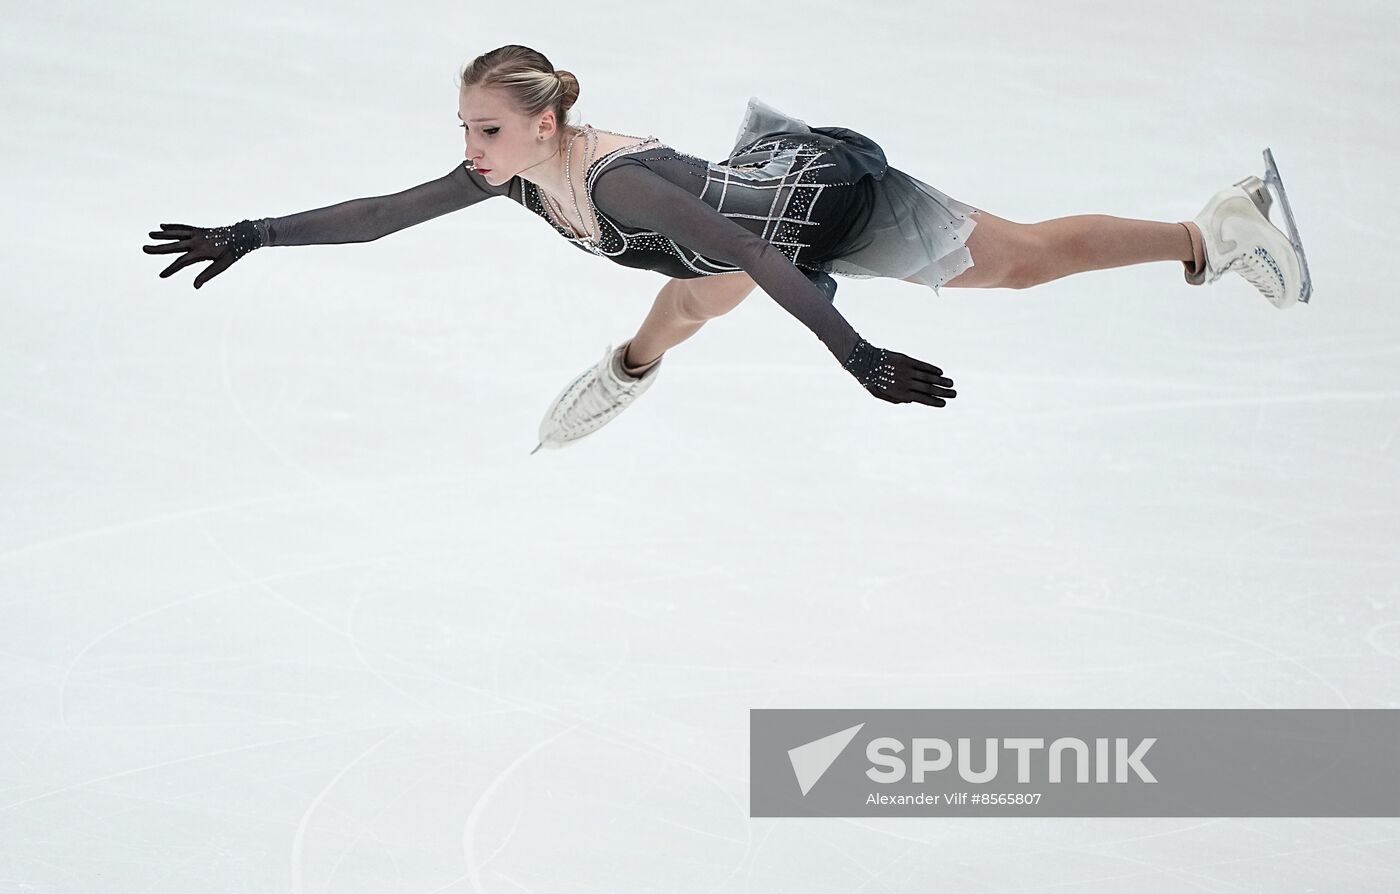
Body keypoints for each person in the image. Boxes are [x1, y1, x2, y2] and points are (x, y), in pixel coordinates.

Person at [143, 44, 1311, 453]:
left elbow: (764, 264)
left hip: (824, 206)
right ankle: (631, 367)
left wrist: (856, 359)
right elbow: (384, 213)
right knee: (686, 297)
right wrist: (254, 233)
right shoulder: (509, 176)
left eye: (485, 128)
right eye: (463, 128)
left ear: (543, 124)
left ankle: (1210, 233)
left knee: (1023, 263)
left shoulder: (622, 178)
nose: (468, 146)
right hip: (742, 217)